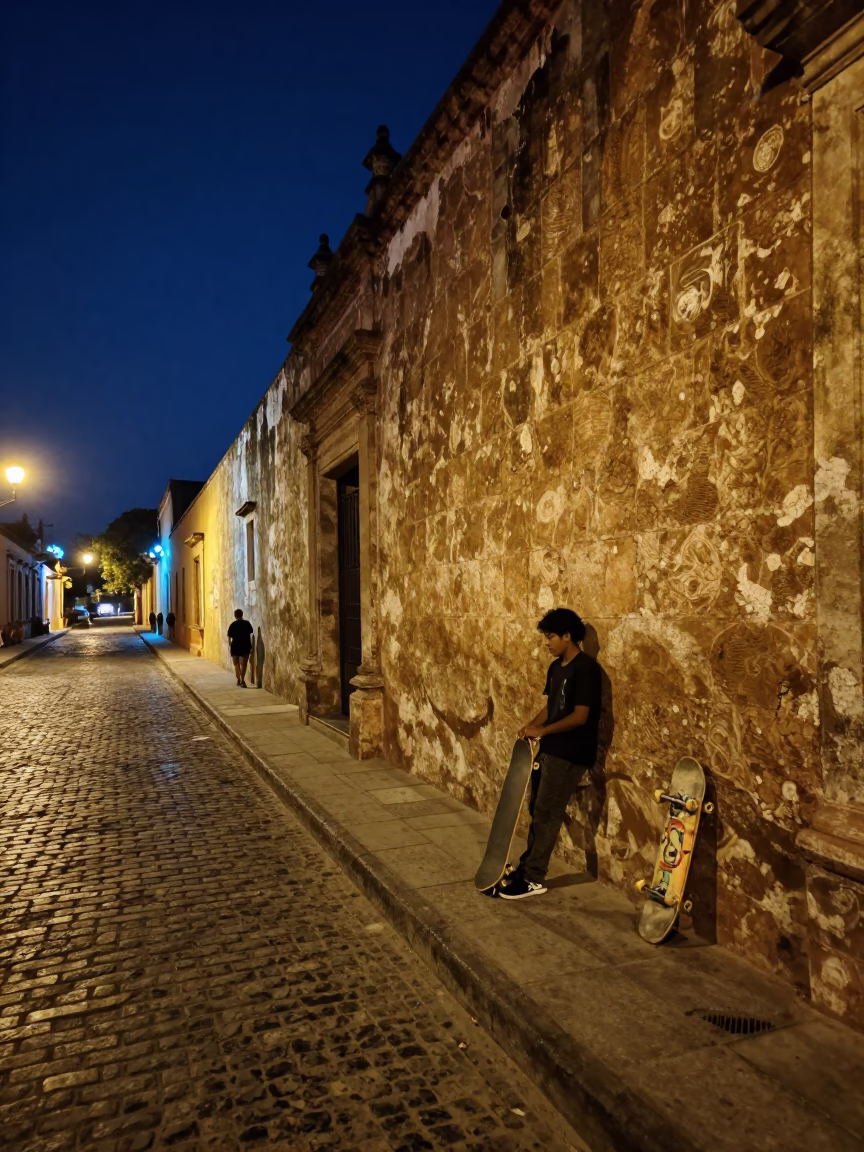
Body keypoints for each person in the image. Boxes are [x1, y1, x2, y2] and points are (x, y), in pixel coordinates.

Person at [500, 607, 602, 901]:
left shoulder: (586, 669)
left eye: (551, 636)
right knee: (538, 810)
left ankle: (534, 878)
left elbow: (580, 716)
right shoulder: (556, 668)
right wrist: (532, 725)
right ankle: (528, 867)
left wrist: (542, 732)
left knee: (548, 812)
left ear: (568, 636)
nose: (547, 642)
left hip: (571, 752)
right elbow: (553, 707)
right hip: (551, 749)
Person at [227, 608, 254, 687]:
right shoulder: (247, 623)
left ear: (235, 616)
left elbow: (229, 637)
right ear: (242, 615)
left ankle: (239, 679)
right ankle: (242, 679)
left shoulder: (233, 625)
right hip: (245, 645)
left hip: (235, 646)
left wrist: (229, 646)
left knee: (236, 663)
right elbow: (250, 632)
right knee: (244, 664)